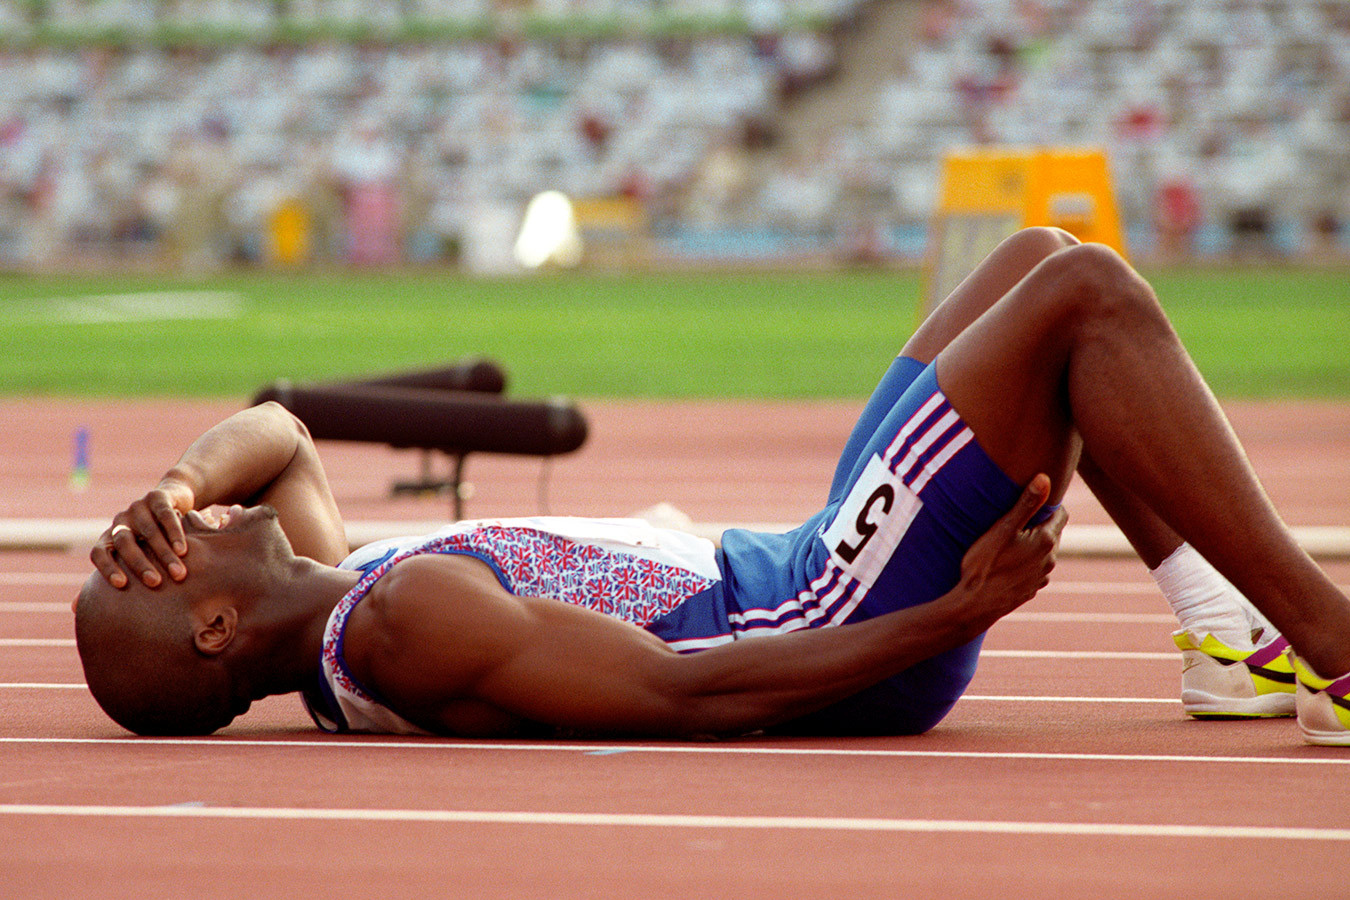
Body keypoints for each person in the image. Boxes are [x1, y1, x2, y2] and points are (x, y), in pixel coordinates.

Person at [75, 228, 1350, 745]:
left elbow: (282, 434)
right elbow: (684, 695)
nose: (199, 526)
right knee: (1088, 301)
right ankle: (1335, 646)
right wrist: (958, 618)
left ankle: (1221, 642)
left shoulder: (337, 600)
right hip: (831, 619)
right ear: (214, 626)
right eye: (171, 556)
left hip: (802, 566)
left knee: (1034, 255)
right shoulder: (401, 627)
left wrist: (177, 488)